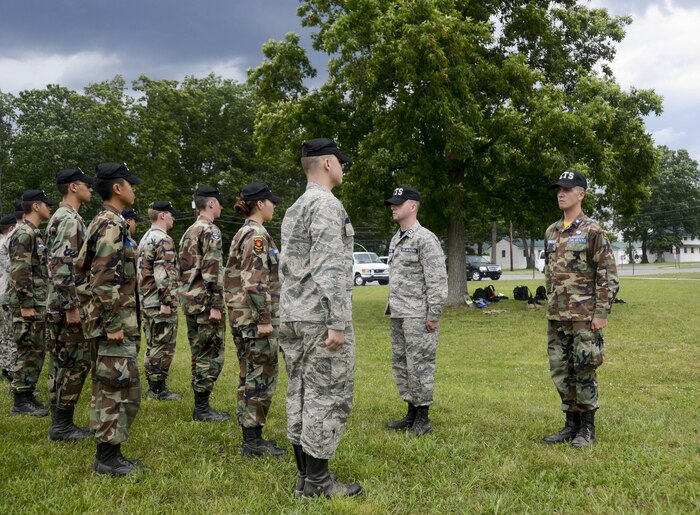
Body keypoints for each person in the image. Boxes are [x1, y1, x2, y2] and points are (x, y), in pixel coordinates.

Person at [279, 138, 362, 498]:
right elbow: (329, 267)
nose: (343, 167)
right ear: (327, 163)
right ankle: (317, 482)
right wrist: (337, 322)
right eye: (340, 162)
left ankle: (304, 474)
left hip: (293, 316)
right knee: (325, 395)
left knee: (299, 391)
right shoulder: (326, 205)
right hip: (317, 318)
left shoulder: (295, 207)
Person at [76, 162, 144, 475]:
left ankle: (110, 453)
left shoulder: (106, 220)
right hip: (111, 324)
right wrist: (113, 324)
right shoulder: (111, 224)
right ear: (117, 188)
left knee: (115, 387)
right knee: (115, 390)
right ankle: (107, 458)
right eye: (130, 183)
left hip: (107, 321)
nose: (134, 188)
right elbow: (103, 278)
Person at [542, 170, 619, 448]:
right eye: (558, 189)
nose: (560, 193)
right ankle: (570, 423)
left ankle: (588, 428)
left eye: (567, 188)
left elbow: (607, 274)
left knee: (584, 368)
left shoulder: (593, 231)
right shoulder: (551, 231)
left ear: (581, 194)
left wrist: (601, 313)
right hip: (557, 314)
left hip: (584, 315)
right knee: (561, 370)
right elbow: (550, 273)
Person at [224, 182, 285, 457]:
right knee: (259, 378)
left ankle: (253, 438)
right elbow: (254, 281)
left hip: (244, 319)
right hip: (254, 321)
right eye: (270, 201)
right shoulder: (256, 236)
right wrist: (264, 319)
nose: (273, 205)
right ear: (260, 203)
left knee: (251, 375)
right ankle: (252, 443)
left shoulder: (246, 233)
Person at [383, 185, 447, 436]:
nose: (393, 206)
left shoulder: (425, 239)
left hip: (418, 316)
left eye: (398, 203)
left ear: (413, 206)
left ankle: (423, 418)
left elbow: (437, 282)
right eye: (392, 203)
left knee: (420, 365)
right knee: (402, 364)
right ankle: (411, 411)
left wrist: (434, 315)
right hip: (399, 313)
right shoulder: (396, 238)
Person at [45, 168, 95, 440]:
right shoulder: (68, 220)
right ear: (74, 187)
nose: (90, 189)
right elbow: (62, 266)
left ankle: (59, 422)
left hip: (59, 303)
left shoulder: (65, 217)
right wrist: (72, 306)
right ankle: (62, 425)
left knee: (62, 362)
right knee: (74, 363)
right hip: (67, 306)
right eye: (87, 185)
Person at [178, 185, 229, 421]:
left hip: (191, 301)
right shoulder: (211, 231)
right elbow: (212, 270)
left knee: (199, 354)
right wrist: (217, 304)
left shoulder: (189, 231)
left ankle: (201, 406)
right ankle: (202, 408)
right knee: (211, 354)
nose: (221, 207)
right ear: (210, 203)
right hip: (206, 304)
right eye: (219, 203)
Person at [8, 190, 55, 416]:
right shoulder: (24, 233)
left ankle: (27, 394)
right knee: (28, 348)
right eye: (46, 204)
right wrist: (26, 302)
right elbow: (20, 270)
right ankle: (20, 400)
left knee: (36, 349)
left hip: (36, 301)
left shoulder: (33, 233)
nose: (50, 208)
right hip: (27, 303)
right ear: (36, 206)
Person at [137, 201, 182, 401]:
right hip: (158, 300)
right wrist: (167, 301)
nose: (173, 219)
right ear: (163, 215)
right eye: (171, 215)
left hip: (146, 299)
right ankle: (157, 389)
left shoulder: (145, 237)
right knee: (163, 345)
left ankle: (154, 385)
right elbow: (163, 274)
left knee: (153, 343)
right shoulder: (163, 240)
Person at [0, 213, 18, 383]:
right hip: (8, 293)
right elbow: (12, 269)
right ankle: (12, 372)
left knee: (5, 334)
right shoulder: (6, 244)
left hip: (3, 293)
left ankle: (6, 368)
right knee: (11, 335)